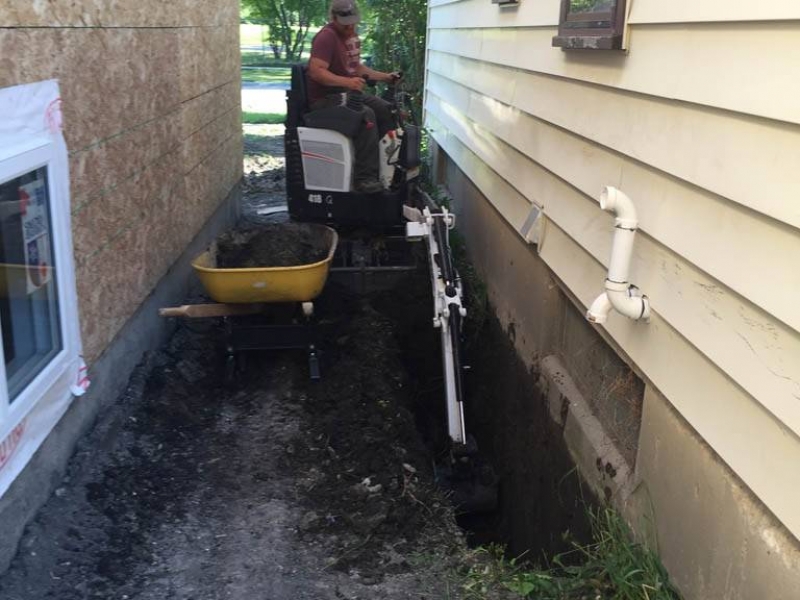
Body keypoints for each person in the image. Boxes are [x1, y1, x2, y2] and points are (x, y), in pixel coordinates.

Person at [306, 0, 400, 194]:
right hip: (324, 101)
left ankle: (387, 170)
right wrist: (348, 82)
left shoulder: (350, 37)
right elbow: (316, 72)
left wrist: (386, 77)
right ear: (333, 18)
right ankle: (364, 179)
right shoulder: (326, 38)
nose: (349, 26)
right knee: (365, 116)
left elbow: (355, 67)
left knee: (384, 109)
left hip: (344, 94)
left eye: (353, 21)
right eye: (344, 22)